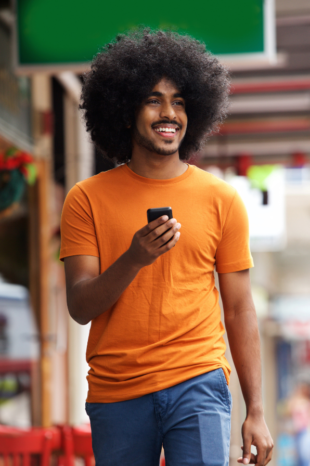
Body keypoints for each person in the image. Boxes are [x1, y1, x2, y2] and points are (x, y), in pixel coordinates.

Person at [60, 29, 274, 466]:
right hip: (117, 390)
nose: (169, 113)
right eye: (153, 99)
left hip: (198, 380)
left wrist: (256, 409)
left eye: (179, 101)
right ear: (124, 110)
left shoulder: (222, 199)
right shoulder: (86, 198)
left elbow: (239, 309)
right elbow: (80, 305)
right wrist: (135, 258)